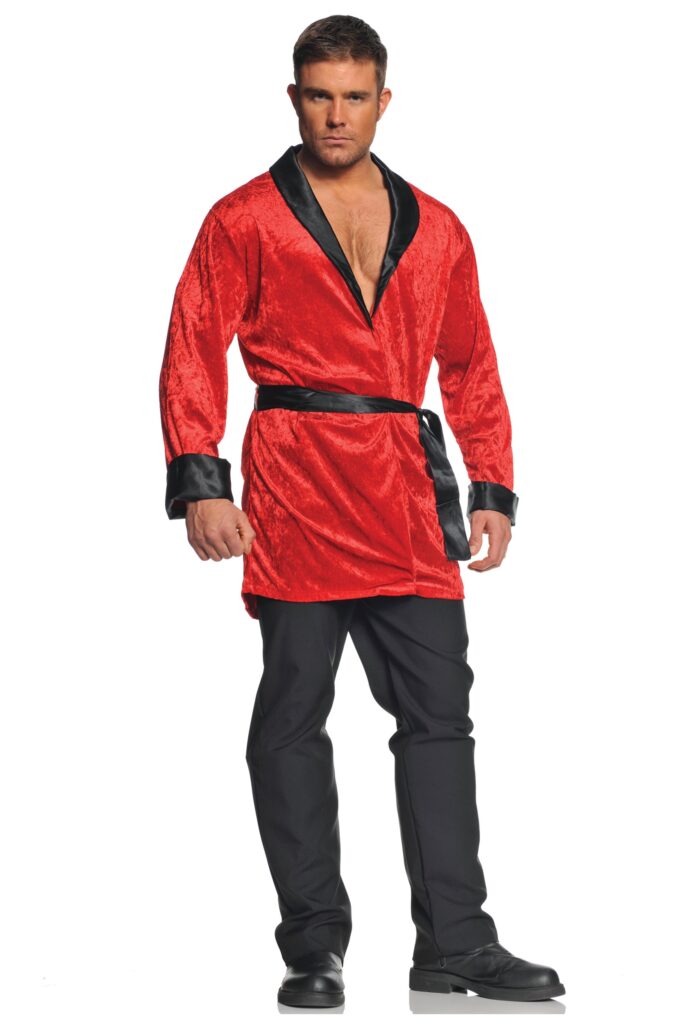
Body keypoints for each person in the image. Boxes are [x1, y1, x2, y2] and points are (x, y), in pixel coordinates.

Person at [159, 13, 565, 1009]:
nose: (335, 116)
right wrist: (203, 481)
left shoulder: (440, 227)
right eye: (318, 95)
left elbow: (469, 360)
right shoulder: (244, 218)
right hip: (295, 487)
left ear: (384, 101)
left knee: (440, 716)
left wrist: (492, 483)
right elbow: (193, 340)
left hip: (403, 491)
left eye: (353, 97)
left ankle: (455, 942)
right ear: (293, 98)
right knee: (293, 713)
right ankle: (314, 945)